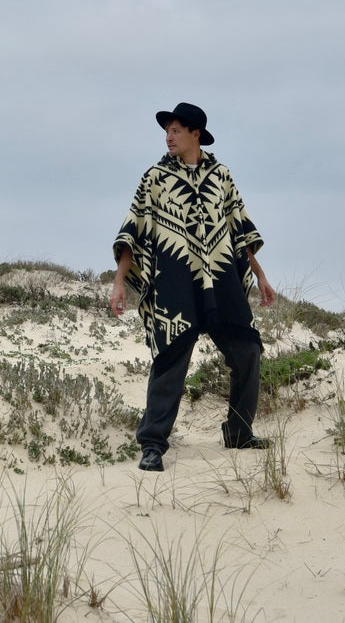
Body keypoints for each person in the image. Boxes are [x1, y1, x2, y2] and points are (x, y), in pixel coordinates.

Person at [110, 102, 276, 472]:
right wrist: (119, 282)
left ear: (195, 134)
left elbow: (239, 229)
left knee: (248, 350)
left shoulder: (221, 176)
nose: (168, 138)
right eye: (166, 132)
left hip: (221, 279)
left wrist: (260, 275)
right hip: (176, 282)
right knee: (170, 359)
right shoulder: (155, 178)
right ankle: (152, 444)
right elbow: (133, 230)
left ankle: (239, 432)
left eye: (175, 131)